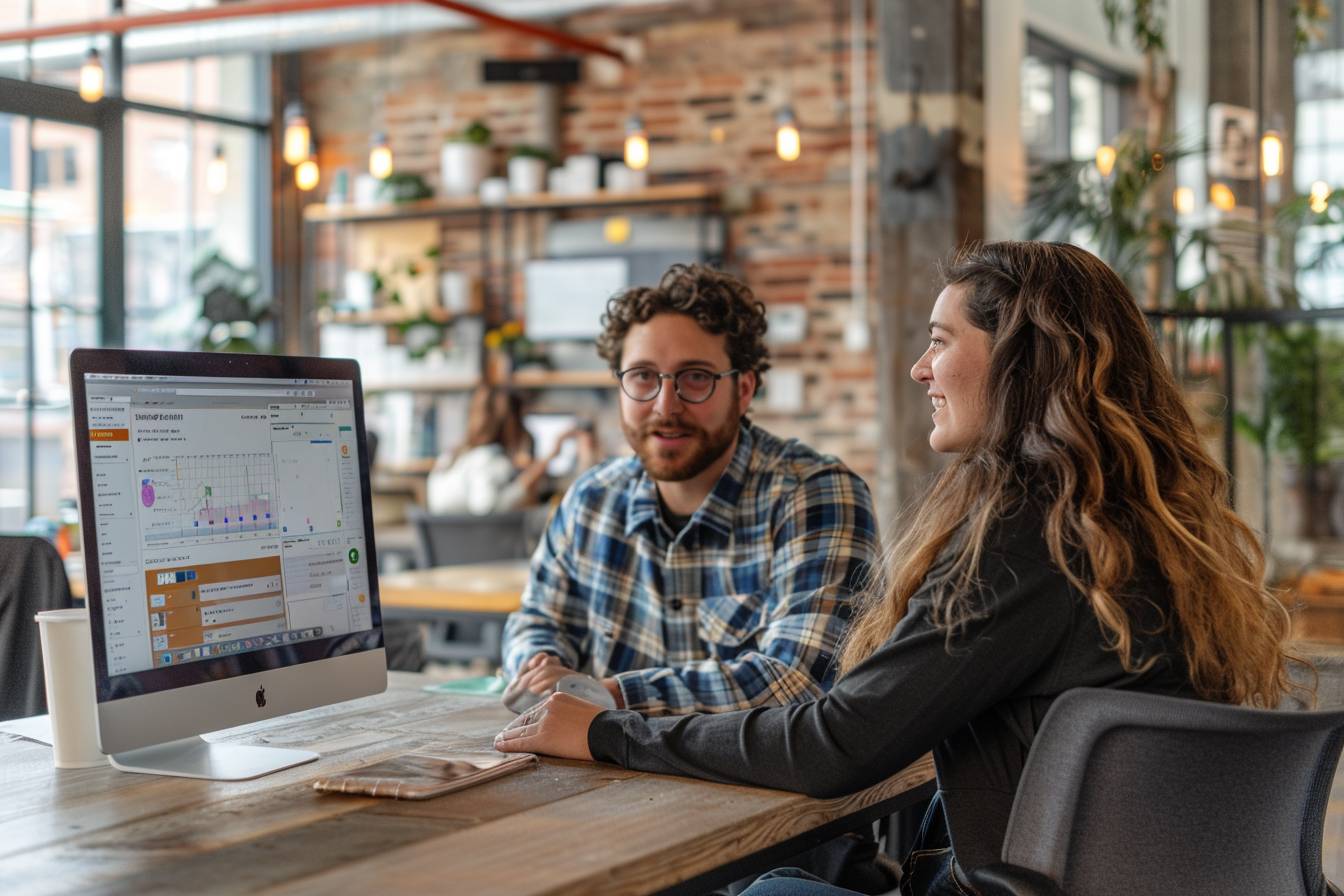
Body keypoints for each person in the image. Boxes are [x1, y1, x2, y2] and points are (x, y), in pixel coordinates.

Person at [493, 241, 1303, 895]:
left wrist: (608, 729)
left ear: (1023, 363)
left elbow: (833, 743)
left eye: (941, 342)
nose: (920, 369)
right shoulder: (1122, 524)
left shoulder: (1031, 538)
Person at [501, 263, 880, 717]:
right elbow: (536, 620)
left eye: (695, 377)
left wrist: (611, 695)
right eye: (642, 376)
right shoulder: (590, 502)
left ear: (743, 390)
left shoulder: (814, 496)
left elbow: (798, 681)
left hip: (764, 786)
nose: (665, 405)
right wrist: (538, 665)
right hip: (607, 777)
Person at [425, 385, 595, 515]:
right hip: (490, 556)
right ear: (511, 423)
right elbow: (489, 510)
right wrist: (548, 459)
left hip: (456, 557)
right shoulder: (488, 460)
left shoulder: (448, 457)